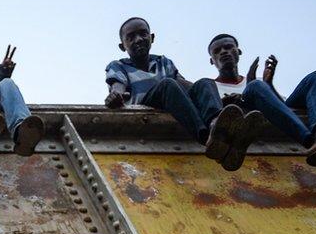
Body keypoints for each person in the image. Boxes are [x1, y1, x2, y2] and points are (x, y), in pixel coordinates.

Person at [106, 17, 263, 172]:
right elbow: (117, 85)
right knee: (168, 84)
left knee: (205, 82)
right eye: (131, 37)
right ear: (122, 46)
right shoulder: (119, 65)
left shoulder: (164, 62)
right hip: (146, 104)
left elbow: (186, 85)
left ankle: (217, 125)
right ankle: (206, 137)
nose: (138, 39)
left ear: (152, 37)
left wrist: (215, 98)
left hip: (171, 100)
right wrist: (115, 95)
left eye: (143, 34)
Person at [208, 34, 316, 167]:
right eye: (217, 51)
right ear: (212, 60)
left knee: (315, 77)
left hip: (276, 114)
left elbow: (283, 108)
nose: (224, 51)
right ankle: (310, 143)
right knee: (255, 86)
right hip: (251, 117)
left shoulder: (259, 82)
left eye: (228, 47)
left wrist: (269, 85)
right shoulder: (211, 88)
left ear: (238, 51)